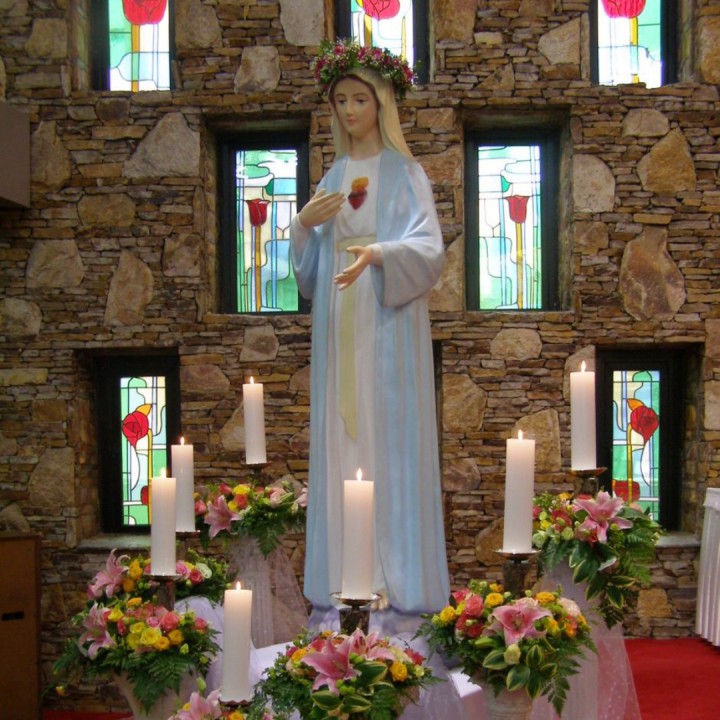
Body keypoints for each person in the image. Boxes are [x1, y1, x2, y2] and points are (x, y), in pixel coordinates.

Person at [290, 40, 450, 620]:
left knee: (387, 440)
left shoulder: (405, 173)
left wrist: (377, 253)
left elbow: (429, 249)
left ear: (382, 103)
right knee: (343, 435)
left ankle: (393, 576)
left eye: (360, 98)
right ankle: (346, 574)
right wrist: (301, 226)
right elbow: (311, 275)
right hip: (340, 320)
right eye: (341, 100)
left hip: (386, 322)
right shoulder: (333, 175)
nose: (350, 110)